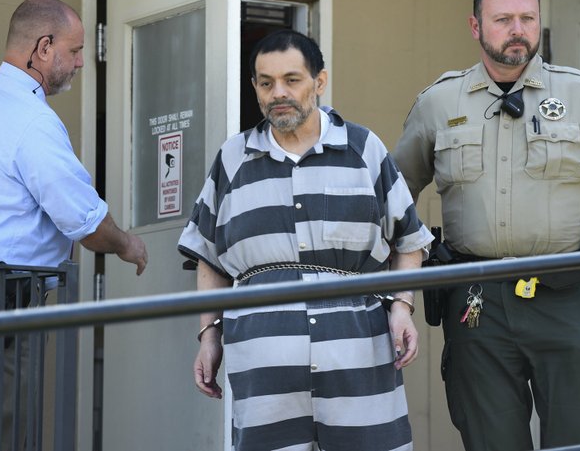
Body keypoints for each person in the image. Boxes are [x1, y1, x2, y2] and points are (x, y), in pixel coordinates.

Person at [392, 0, 580, 451]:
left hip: (567, 298)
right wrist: (396, 299)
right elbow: (396, 201)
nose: (517, 29)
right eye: (502, 19)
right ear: (475, 27)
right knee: (490, 441)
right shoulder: (438, 102)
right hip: (475, 305)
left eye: (527, 18)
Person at [178, 29, 433, 451]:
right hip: (264, 366)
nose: (278, 92)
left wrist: (403, 308)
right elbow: (209, 258)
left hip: (359, 356)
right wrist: (209, 336)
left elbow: (409, 240)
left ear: (320, 81)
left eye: (292, 79)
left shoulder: (363, 148)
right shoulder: (232, 158)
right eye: (265, 82)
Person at [0, 0, 148, 451]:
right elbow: (82, 219)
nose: (82, 62)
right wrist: (126, 244)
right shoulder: (31, 119)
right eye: (75, 49)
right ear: (43, 48)